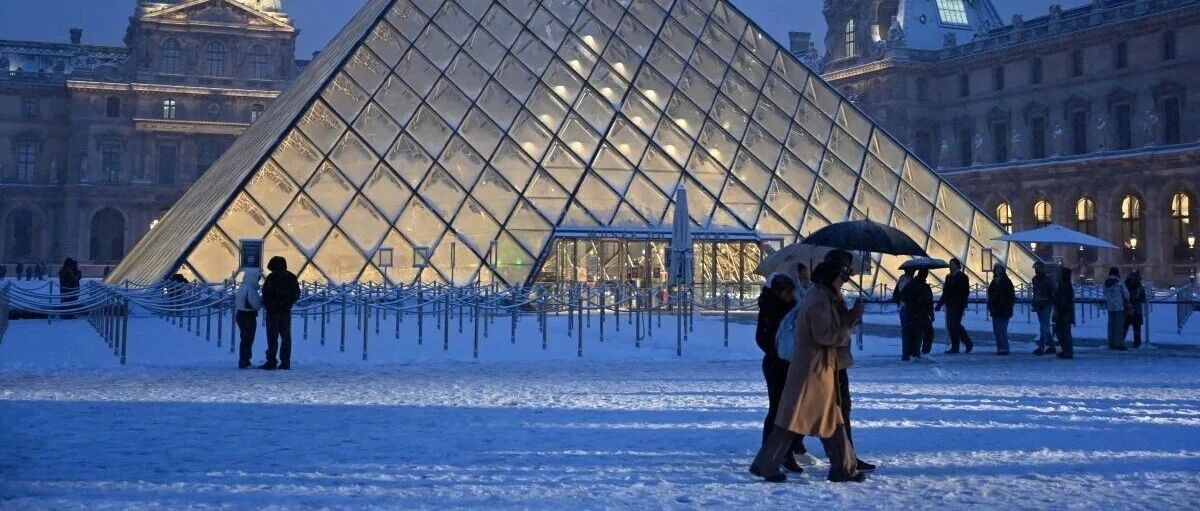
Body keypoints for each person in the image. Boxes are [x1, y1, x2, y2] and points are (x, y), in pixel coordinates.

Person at [749, 261, 866, 483]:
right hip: (812, 370)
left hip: (817, 368)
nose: (844, 281)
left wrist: (851, 315)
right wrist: (844, 335)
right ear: (831, 277)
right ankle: (768, 465)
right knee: (796, 420)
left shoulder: (823, 297)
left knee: (826, 418)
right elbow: (824, 335)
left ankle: (843, 467)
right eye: (841, 276)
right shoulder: (818, 300)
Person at [754, 274, 804, 473]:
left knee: (787, 409)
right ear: (778, 292)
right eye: (787, 292)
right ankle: (775, 452)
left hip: (786, 362)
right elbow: (762, 338)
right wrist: (778, 351)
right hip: (777, 364)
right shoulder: (772, 308)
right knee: (778, 410)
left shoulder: (790, 305)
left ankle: (785, 450)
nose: (790, 295)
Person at [261, 256, 300, 370]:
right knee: (286, 337)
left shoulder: (271, 277)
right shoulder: (291, 277)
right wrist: (287, 303)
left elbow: (265, 294)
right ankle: (285, 362)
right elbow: (296, 294)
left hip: (273, 312)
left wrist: (269, 305)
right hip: (285, 312)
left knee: (272, 337)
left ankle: (271, 361)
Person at [936, 258, 974, 354]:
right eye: (950, 264)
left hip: (958, 305)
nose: (950, 266)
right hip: (949, 305)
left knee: (954, 325)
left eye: (952, 264)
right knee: (951, 325)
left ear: (957, 266)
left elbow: (965, 292)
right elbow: (945, 292)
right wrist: (939, 304)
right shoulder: (948, 277)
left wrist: (962, 303)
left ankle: (964, 344)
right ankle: (959, 345)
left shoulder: (963, 277)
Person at [898, 269, 933, 361]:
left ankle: (906, 355)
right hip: (921, 313)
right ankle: (916, 354)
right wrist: (931, 315)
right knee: (920, 333)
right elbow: (929, 302)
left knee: (907, 334)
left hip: (908, 312)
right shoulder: (925, 287)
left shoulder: (910, 284)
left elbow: (901, 296)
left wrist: (908, 305)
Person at [235, 269, 263, 369]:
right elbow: (256, 305)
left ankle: (244, 360)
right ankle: (245, 361)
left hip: (240, 315)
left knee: (245, 339)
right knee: (248, 339)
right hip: (248, 316)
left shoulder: (242, 287)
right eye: (258, 278)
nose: (258, 280)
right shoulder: (250, 290)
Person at [986, 263, 1016, 355]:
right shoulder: (994, 281)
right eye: (996, 269)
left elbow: (1011, 296)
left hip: (1004, 310)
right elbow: (990, 295)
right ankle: (1000, 348)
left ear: (1002, 270)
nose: (997, 270)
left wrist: (1008, 307)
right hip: (996, 309)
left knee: (1002, 330)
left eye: (999, 268)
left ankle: (1004, 348)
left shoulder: (1007, 281)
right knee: (996, 330)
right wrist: (991, 306)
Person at [1031, 262, 1056, 355]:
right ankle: (1052, 346)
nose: (1036, 270)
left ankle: (1041, 347)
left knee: (1043, 326)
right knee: (1044, 326)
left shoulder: (1048, 279)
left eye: (1037, 269)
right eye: (1035, 269)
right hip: (1039, 304)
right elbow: (1035, 292)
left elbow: (1053, 291)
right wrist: (1034, 302)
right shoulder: (1035, 279)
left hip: (1046, 304)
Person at [1103, 267, 1130, 351]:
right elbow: (1126, 294)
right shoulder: (1119, 282)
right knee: (1119, 326)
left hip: (1110, 307)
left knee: (1111, 326)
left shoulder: (1106, 282)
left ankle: (1111, 343)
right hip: (1119, 307)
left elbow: (1105, 294)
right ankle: (1118, 344)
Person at [1053, 268, 1075, 359]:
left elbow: (1063, 300)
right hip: (1064, 312)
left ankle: (1067, 351)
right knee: (1062, 332)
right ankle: (1066, 350)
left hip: (1064, 312)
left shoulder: (1064, 285)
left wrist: (1055, 299)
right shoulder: (1065, 285)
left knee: (1064, 332)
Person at [1124, 271, 1146, 348]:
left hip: (1127, 309)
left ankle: (1120, 341)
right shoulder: (1140, 287)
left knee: (1125, 326)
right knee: (1136, 328)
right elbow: (1143, 299)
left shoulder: (1126, 285)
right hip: (1137, 309)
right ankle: (1137, 343)